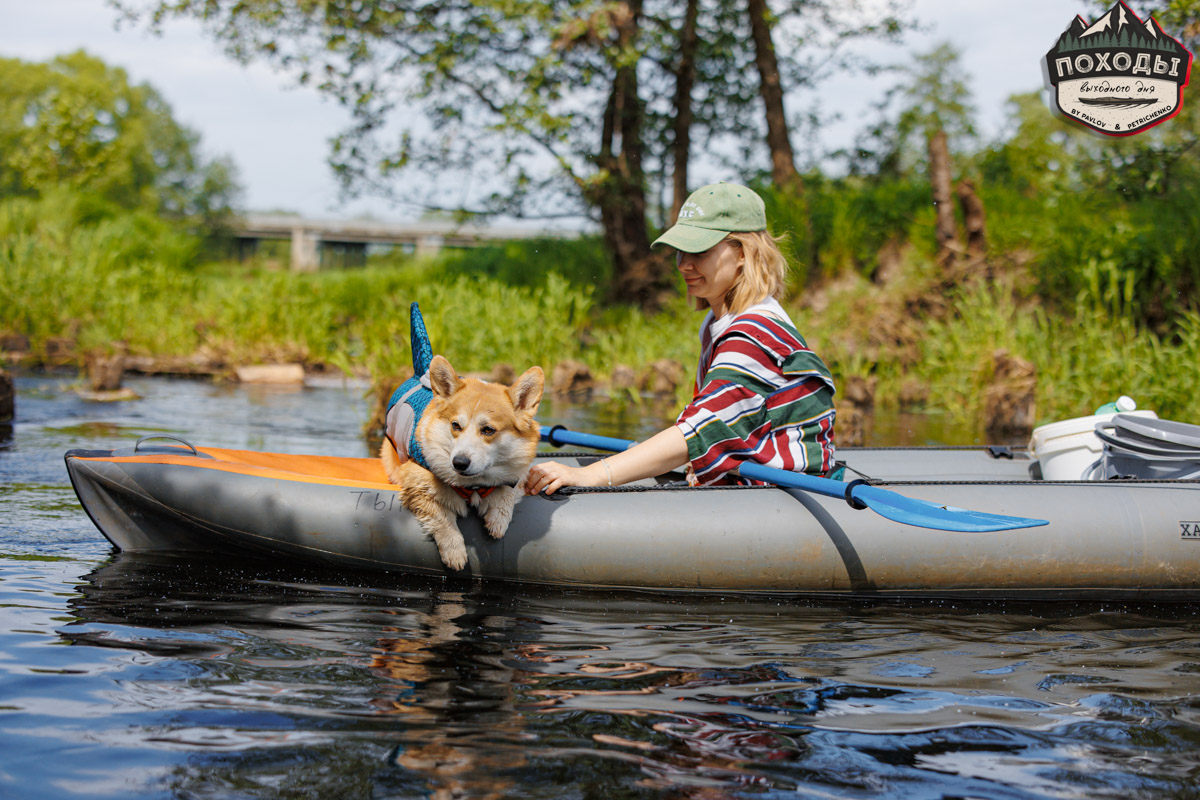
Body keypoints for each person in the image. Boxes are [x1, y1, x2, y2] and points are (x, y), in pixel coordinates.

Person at [525, 181, 836, 495]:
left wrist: (589, 475)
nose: (684, 264)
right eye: (680, 251)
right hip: (758, 479)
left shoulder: (752, 337)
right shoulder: (718, 322)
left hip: (793, 491)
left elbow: (696, 433)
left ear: (742, 253)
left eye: (699, 251)